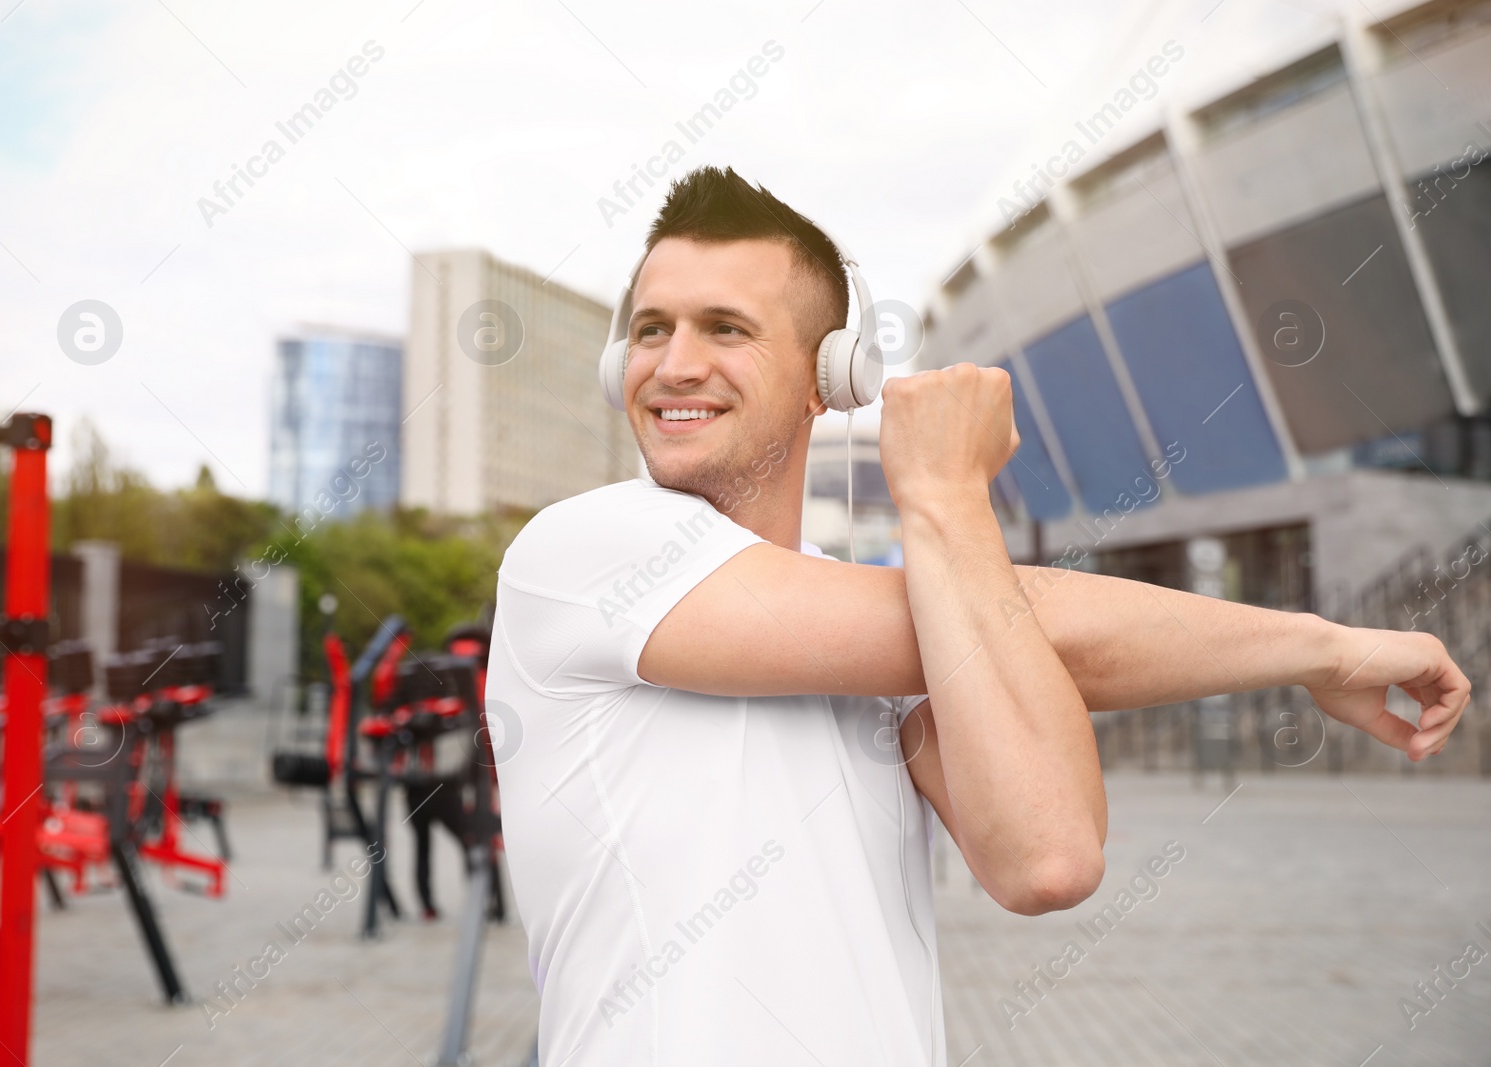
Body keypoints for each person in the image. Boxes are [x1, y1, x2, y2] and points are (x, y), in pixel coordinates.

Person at [484, 166, 1471, 1064]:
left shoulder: (918, 615)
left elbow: (1047, 856)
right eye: (651, 328)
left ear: (833, 376)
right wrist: (949, 495)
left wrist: (1314, 653)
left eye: (724, 328)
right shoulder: (587, 553)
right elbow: (1034, 617)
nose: (671, 362)